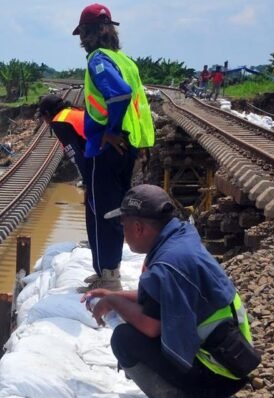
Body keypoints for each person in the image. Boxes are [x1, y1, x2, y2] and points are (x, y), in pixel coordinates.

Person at [84, 185, 256, 398]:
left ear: (138, 228)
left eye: (123, 225)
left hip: (217, 374)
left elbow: (151, 327)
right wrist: (114, 296)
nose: (123, 234)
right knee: (133, 321)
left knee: (124, 339)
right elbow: (160, 299)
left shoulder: (167, 265)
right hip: (234, 357)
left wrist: (113, 303)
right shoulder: (179, 239)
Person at [73, 3, 155, 292]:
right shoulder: (124, 60)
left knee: (100, 210)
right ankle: (109, 271)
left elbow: (120, 94)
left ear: (91, 32)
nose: (81, 40)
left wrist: (109, 131)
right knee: (114, 210)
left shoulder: (98, 59)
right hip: (128, 146)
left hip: (107, 148)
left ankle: (108, 276)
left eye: (83, 33)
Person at [38, 94, 87, 179]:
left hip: (101, 155)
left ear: (47, 113)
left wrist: (86, 180)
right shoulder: (75, 110)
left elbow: (76, 155)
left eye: (43, 117)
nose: (45, 122)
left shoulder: (59, 122)